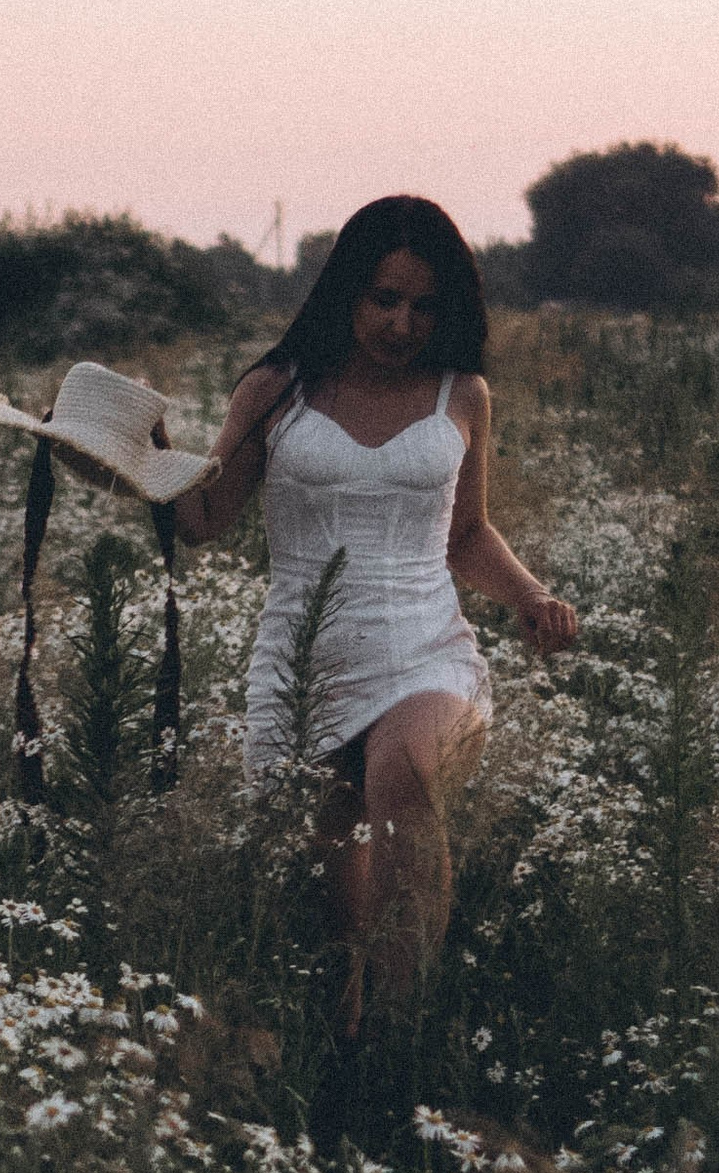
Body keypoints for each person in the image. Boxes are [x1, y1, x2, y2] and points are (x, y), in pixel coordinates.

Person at [176, 196, 576, 1033]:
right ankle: (351, 1080)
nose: (401, 323)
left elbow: (465, 534)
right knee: (326, 947)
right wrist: (129, 472)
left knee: (404, 769)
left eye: (424, 306)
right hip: (301, 666)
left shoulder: (461, 394)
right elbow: (205, 523)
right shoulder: (274, 390)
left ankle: (408, 1047)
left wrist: (532, 597)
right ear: (347, 293)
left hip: (428, 652)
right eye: (384, 299)